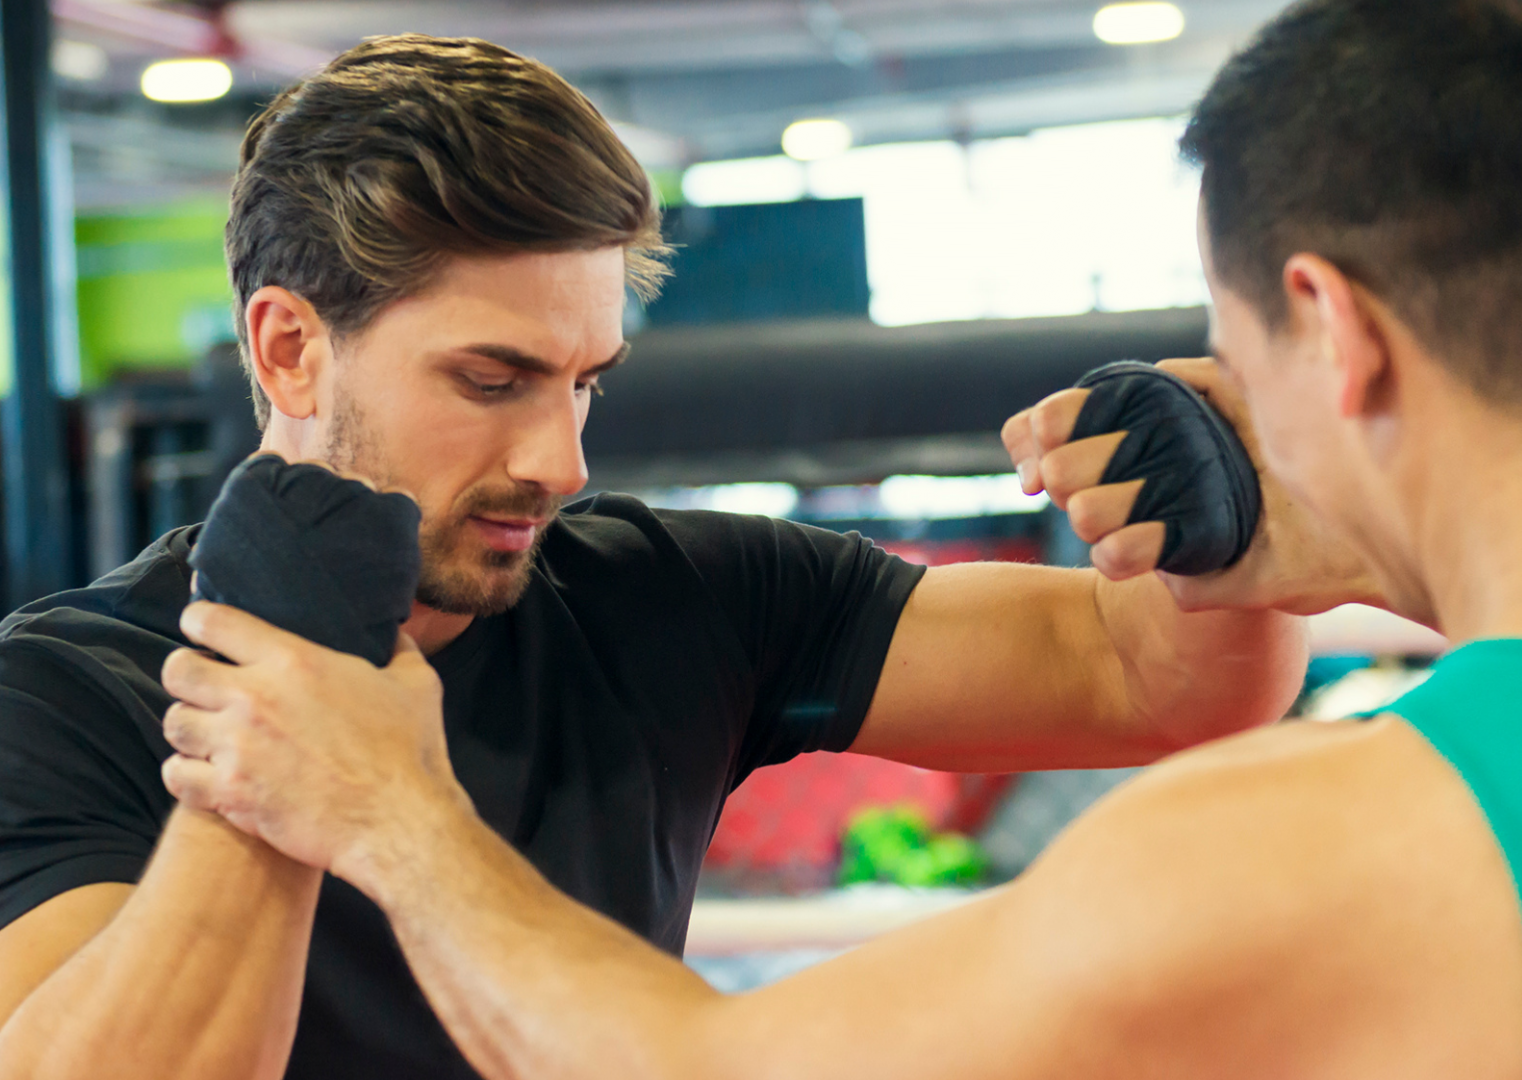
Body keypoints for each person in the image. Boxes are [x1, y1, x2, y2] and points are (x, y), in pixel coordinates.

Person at [140, 1, 1522, 1077]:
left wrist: (387, 810)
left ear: (1336, 329)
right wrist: (1263, 564)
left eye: (1240, 359)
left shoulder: (1322, 842)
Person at [0, 35, 1370, 1080]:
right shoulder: (63, 698)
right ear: (289, 348)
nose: (561, 459)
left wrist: (1220, 526)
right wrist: (288, 697)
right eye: (492, 380)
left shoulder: (667, 599)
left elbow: (1158, 685)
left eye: (585, 382)